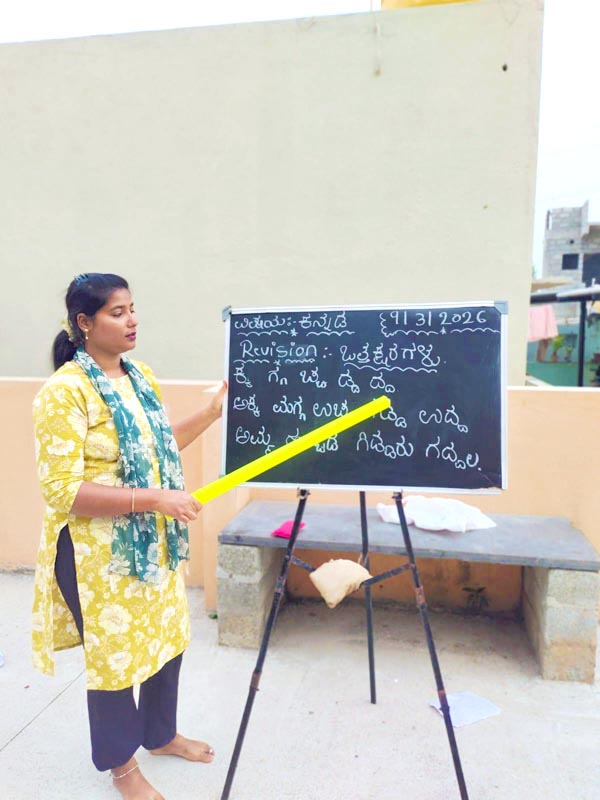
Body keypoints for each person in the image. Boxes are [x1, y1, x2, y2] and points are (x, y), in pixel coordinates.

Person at [31, 273, 227, 800]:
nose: (132, 320)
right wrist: (157, 499)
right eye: (117, 313)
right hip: (97, 555)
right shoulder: (65, 392)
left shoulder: (140, 377)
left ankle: (160, 735)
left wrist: (210, 415)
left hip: (150, 542)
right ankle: (123, 768)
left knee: (165, 639)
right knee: (115, 659)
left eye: (133, 309)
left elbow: (158, 447)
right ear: (84, 323)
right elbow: (62, 490)